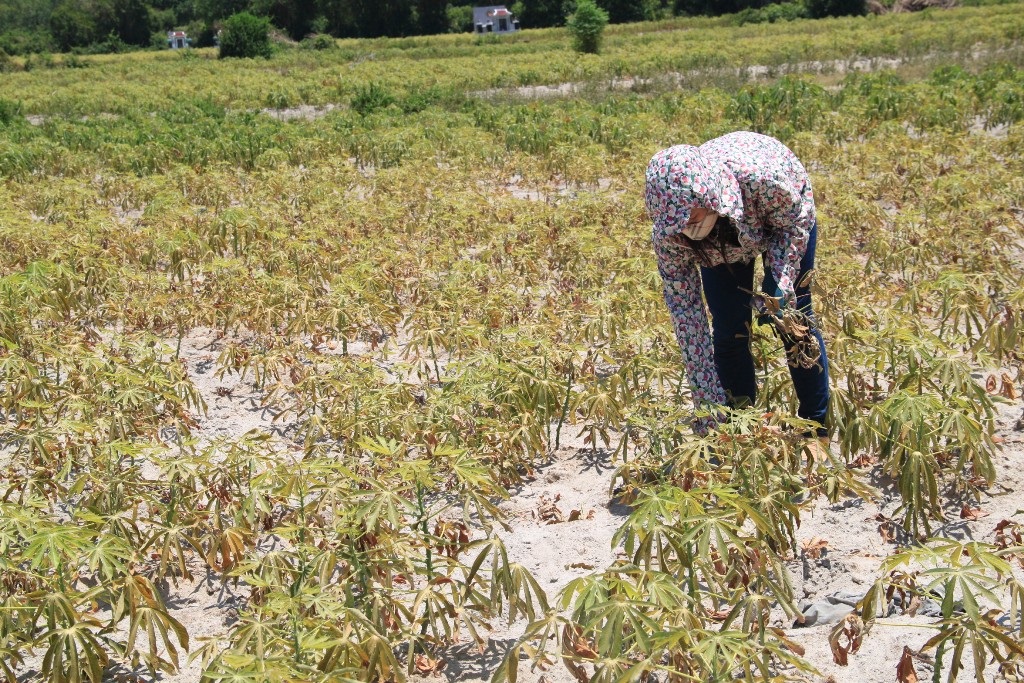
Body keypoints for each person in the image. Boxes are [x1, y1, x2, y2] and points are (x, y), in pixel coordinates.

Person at [644, 131, 830, 437]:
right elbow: (687, 317)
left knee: (793, 321)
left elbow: (796, 219)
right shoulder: (670, 237)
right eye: (677, 222)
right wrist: (707, 404)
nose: (686, 228)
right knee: (730, 328)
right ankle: (740, 427)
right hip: (726, 241)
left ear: (707, 196)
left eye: (691, 218)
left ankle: (816, 426)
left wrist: (781, 280)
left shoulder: (762, 180)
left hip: (783, 217)